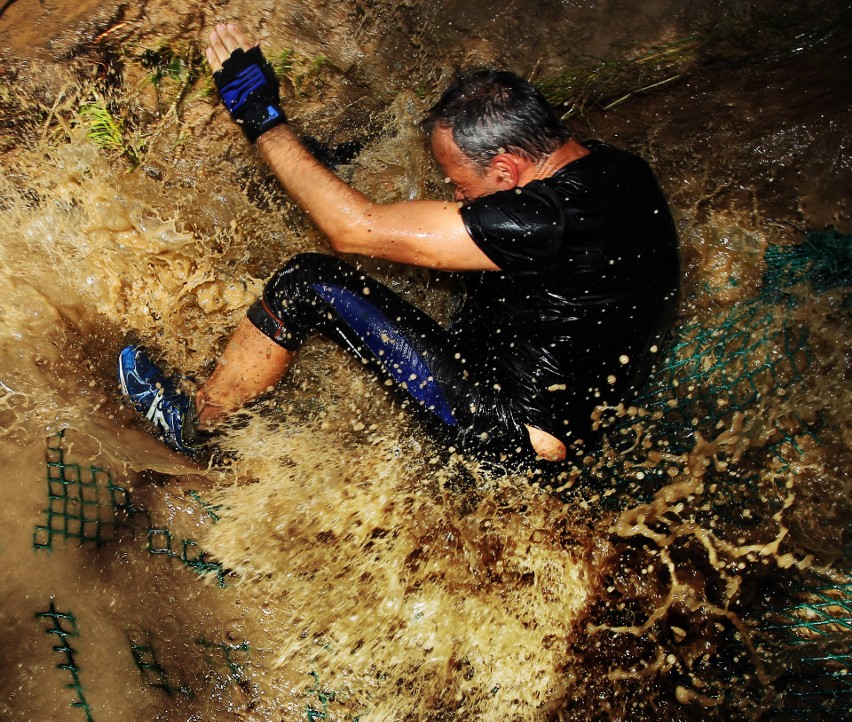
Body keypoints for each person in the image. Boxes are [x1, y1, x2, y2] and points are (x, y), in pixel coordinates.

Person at [118, 23, 680, 468]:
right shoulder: (619, 170)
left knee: (306, 283)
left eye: (459, 183)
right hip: (580, 419)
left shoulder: (539, 221)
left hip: (513, 438)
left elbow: (353, 230)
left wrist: (262, 118)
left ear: (507, 170)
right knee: (453, 259)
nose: (453, 193)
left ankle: (194, 426)